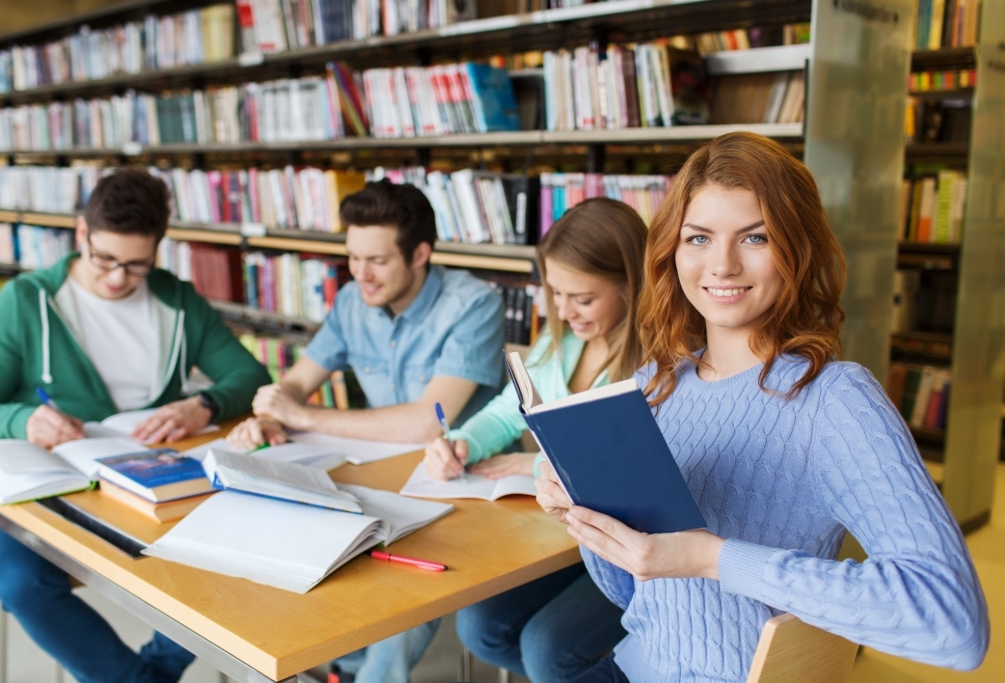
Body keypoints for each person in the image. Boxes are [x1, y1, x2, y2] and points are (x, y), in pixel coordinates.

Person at [536, 132, 989, 683]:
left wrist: (713, 557)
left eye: (755, 237)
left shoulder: (835, 400)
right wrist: (584, 517)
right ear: (672, 251)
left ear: (797, 249)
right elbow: (631, 592)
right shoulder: (654, 385)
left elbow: (954, 625)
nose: (722, 265)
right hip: (633, 666)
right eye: (698, 238)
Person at [0, 168, 272, 683]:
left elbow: (250, 376)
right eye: (105, 259)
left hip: (155, 479)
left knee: (241, 548)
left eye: (137, 265)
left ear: (159, 249)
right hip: (51, 486)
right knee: (21, 582)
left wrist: (203, 404)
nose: (118, 278)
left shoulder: (176, 300)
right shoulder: (26, 303)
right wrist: (23, 419)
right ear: (81, 234)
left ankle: (151, 672)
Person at [227, 179, 505, 683]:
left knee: (400, 599)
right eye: (353, 258)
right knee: (281, 549)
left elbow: (427, 422)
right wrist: (272, 412)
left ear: (419, 253)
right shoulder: (354, 300)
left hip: (466, 489)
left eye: (376, 260)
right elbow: (300, 379)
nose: (360, 274)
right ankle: (328, 667)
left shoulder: (474, 304)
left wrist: (303, 416)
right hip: (381, 479)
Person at [424, 198, 644, 683]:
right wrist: (463, 442)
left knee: (548, 649)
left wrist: (528, 468)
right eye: (555, 294)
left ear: (630, 285)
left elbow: (618, 472)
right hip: (572, 538)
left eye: (582, 298)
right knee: (480, 627)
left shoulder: (656, 366)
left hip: (629, 547)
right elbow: (508, 412)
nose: (564, 311)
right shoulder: (561, 342)